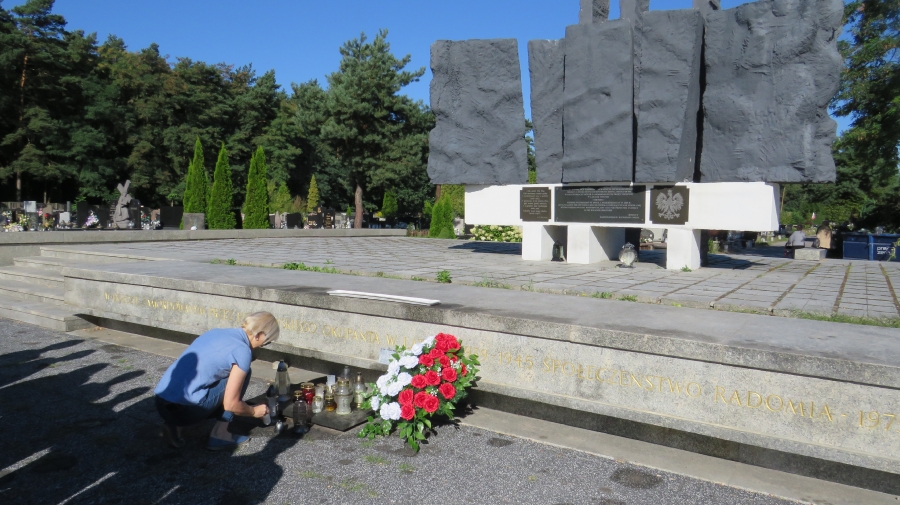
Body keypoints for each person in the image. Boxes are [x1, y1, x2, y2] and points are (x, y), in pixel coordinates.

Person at [154, 311, 280, 450]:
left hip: (161, 403)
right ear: (259, 335)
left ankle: (174, 424)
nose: (263, 345)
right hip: (185, 411)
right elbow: (231, 405)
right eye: (267, 342)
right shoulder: (242, 350)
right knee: (244, 374)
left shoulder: (215, 332)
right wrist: (254, 411)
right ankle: (220, 434)